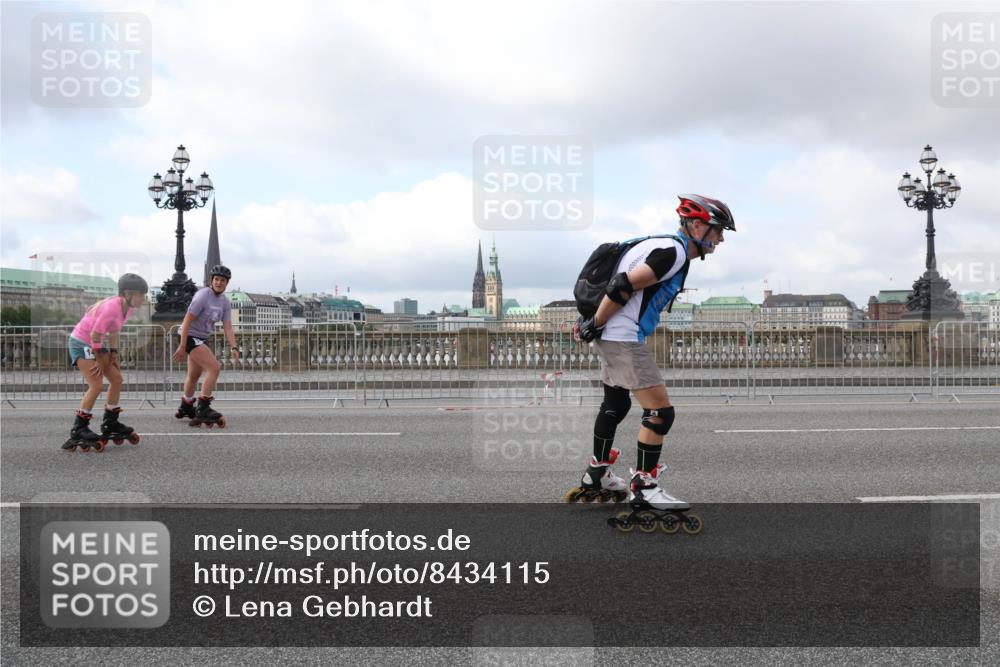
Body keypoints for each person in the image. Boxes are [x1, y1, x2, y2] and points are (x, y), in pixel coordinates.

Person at [566, 194, 736, 514]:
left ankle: (597, 475)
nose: (722, 238)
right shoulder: (674, 252)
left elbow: (617, 282)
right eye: (719, 230)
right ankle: (644, 487)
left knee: (615, 404)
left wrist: (591, 322)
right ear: (698, 226)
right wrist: (596, 323)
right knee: (660, 412)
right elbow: (621, 286)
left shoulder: (659, 244)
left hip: (614, 334)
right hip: (622, 336)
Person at [62, 273, 149, 452]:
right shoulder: (111, 308)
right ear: (127, 294)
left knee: (117, 379)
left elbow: (114, 332)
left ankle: (111, 422)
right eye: (141, 295)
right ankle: (78, 428)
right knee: (96, 385)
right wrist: (101, 359)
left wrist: (114, 354)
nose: (144, 298)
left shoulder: (128, 309)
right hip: (81, 343)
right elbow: (95, 335)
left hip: (95, 343)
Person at [172, 264, 239, 427]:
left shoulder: (225, 303)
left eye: (222, 280)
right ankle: (203, 408)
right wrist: (182, 346)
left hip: (201, 338)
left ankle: (186, 405)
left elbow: (228, 327)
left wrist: (234, 347)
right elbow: (187, 321)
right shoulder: (203, 296)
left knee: (194, 375)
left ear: (226, 283)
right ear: (211, 280)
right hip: (188, 336)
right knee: (214, 368)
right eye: (216, 279)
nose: (219, 283)